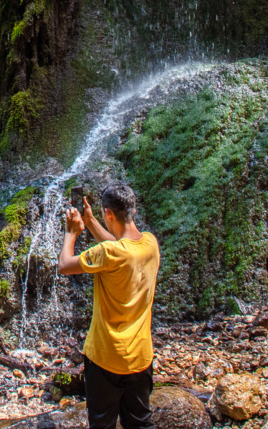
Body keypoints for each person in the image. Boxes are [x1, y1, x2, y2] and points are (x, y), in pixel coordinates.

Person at [58, 183, 161, 429]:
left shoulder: (108, 253)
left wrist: (71, 232)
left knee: (102, 426)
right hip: (140, 358)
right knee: (140, 424)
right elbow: (118, 247)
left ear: (110, 214)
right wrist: (91, 221)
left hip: (105, 359)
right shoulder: (150, 244)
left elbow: (64, 265)